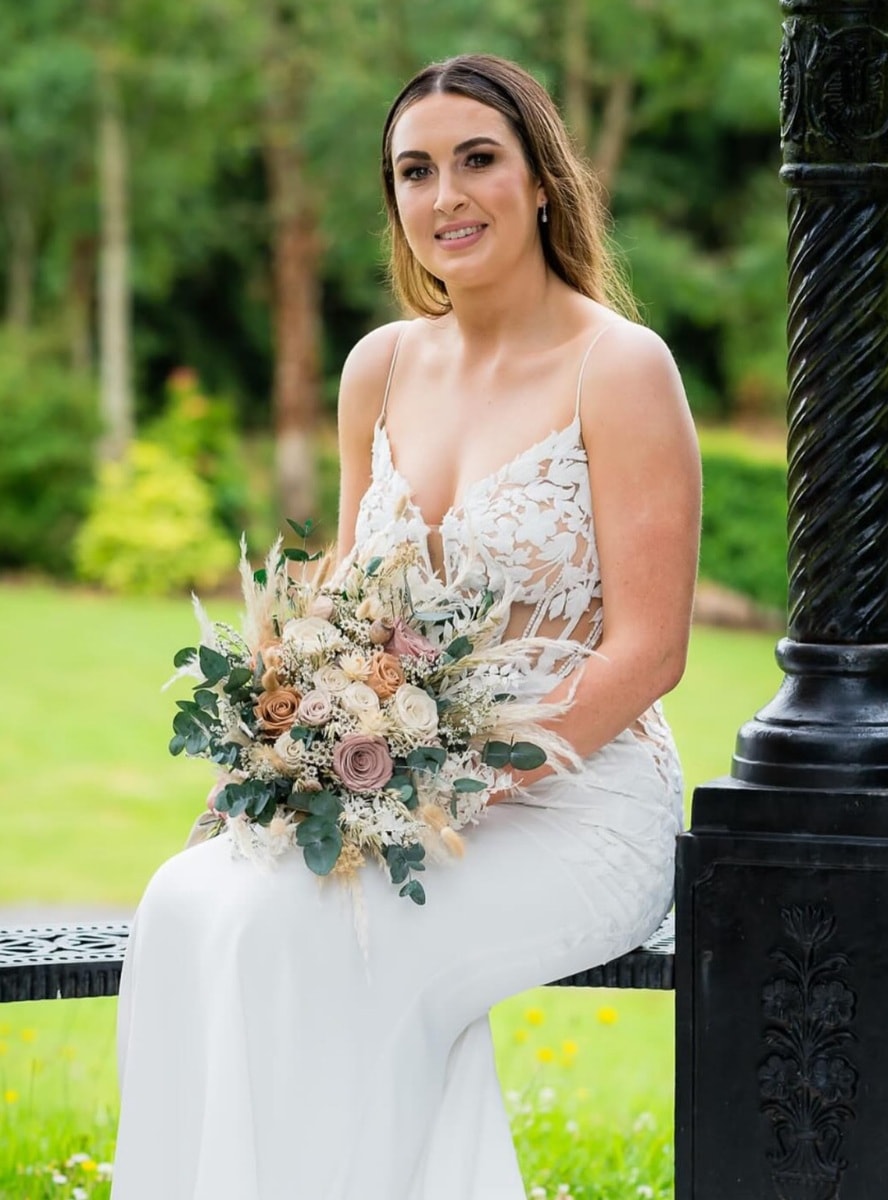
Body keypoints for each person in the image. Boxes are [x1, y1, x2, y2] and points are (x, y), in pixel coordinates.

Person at [112, 53, 700, 1200]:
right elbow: (343, 595)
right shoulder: (378, 366)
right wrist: (279, 750)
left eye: (478, 160)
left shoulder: (620, 368)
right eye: (415, 171)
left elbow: (651, 653)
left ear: (541, 180)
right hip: (388, 791)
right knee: (184, 901)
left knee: (318, 936)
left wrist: (455, 781)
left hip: (579, 804)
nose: (446, 197)